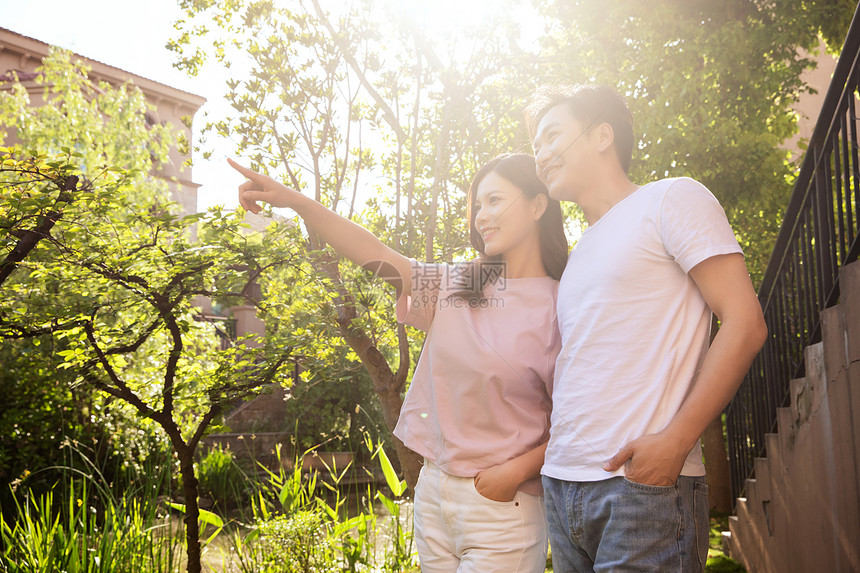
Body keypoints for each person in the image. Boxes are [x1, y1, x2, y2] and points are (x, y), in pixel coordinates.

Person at [229, 152, 568, 572]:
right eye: (478, 205)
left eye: (495, 200)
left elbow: (579, 418)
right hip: (434, 493)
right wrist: (295, 201)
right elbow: (373, 253)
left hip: (503, 506)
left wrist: (513, 472)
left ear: (537, 205)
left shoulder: (563, 303)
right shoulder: (457, 283)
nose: (482, 216)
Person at [525, 84, 768, 572]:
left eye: (552, 135)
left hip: (641, 487)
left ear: (602, 135)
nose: (541, 154)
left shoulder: (671, 199)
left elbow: (745, 322)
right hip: (565, 486)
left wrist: (677, 440)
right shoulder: (578, 257)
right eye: (535, 146)